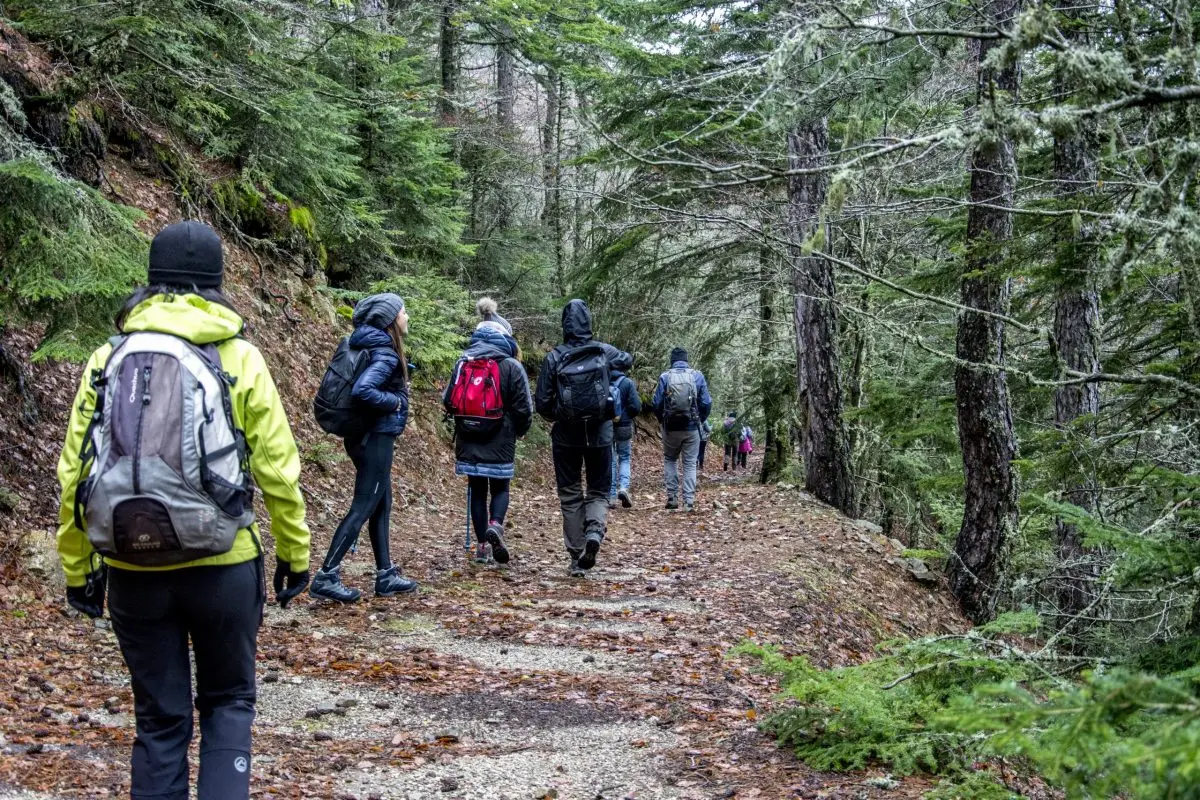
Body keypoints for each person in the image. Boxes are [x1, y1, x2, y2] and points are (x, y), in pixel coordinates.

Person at [55, 220, 312, 800]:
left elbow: (74, 474)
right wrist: (295, 556)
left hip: (131, 569)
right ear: (216, 284)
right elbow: (277, 469)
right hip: (223, 561)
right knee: (228, 703)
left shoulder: (108, 357)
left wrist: (79, 571)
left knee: (159, 719)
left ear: (151, 281)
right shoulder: (238, 356)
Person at [310, 292, 417, 602]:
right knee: (364, 505)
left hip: (364, 436)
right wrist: (395, 401)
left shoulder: (369, 345)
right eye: (403, 312)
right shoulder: (385, 352)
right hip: (376, 438)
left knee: (381, 504)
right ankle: (327, 574)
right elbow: (363, 390)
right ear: (391, 320)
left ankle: (385, 575)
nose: (406, 317)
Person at [535, 299, 630, 577]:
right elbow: (628, 360)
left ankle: (577, 557)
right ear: (588, 321)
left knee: (570, 495)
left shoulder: (554, 357)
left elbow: (542, 403)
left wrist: (563, 413)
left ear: (564, 324)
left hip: (565, 438)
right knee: (599, 491)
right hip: (601, 435)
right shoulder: (602, 350)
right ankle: (594, 533)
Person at [443, 299, 533, 565]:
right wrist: (520, 430)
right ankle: (495, 524)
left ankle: (482, 546)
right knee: (501, 487)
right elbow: (524, 408)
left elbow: (449, 400)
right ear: (505, 335)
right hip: (501, 437)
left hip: (468, 435)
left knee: (477, 489)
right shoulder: (511, 365)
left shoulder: (464, 360)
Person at [651, 347, 713, 511]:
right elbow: (706, 403)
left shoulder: (665, 376)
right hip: (692, 427)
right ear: (686, 360)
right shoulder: (697, 376)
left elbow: (656, 403)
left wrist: (661, 421)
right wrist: (700, 419)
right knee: (690, 463)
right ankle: (689, 501)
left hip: (670, 428)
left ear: (671, 360)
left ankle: (672, 497)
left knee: (670, 460)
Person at [609, 352, 641, 509]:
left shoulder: (604, 380)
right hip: (624, 426)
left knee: (610, 458)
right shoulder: (627, 383)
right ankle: (623, 487)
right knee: (625, 458)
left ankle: (611, 496)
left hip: (606, 426)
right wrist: (625, 415)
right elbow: (636, 406)